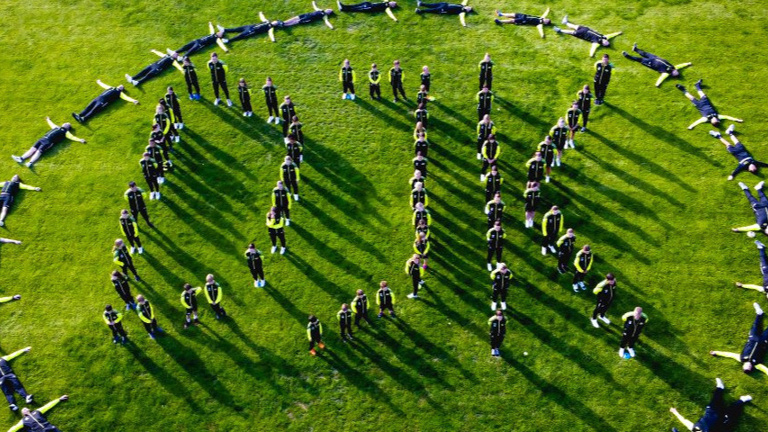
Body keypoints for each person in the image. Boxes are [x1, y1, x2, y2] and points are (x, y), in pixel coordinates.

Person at [669, 378, 751, 432]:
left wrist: (675, 412)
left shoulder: (694, 428)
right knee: (732, 411)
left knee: (715, 401)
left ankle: (720, 387)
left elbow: (684, 421)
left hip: (712, 411)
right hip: (722, 420)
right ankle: (742, 400)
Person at [710, 302, 768, 375]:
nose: (748, 366)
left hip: (752, 338)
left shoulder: (741, 358)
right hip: (764, 341)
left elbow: (730, 355)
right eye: (749, 368)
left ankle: (759, 313)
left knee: (756, 325)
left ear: (743, 366)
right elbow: (766, 370)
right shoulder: (757, 365)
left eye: (746, 367)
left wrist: (716, 352)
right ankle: (759, 314)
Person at [11, 117, 85, 168]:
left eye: (68, 124)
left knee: (39, 152)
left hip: (49, 142)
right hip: (42, 138)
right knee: (32, 149)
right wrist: (48, 120)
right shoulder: (57, 127)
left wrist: (80, 140)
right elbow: (51, 124)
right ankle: (21, 158)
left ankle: (30, 163)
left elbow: (72, 137)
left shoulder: (66, 132)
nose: (66, 123)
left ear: (68, 127)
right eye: (66, 123)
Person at [676, 79, 743, 129]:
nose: (715, 119)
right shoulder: (717, 116)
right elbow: (727, 117)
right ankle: (697, 86)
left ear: (711, 122)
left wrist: (691, 126)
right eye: (717, 120)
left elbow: (697, 122)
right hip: (706, 103)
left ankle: (683, 90)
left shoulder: (705, 119)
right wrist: (737, 119)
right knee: (702, 94)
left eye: (714, 120)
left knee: (691, 98)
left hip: (699, 105)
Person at [622, 43, 691, 87]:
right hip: (655, 58)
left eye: (673, 71)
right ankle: (635, 49)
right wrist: (687, 64)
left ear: (671, 74)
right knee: (645, 53)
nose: (674, 70)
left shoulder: (666, 74)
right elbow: (680, 65)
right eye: (675, 70)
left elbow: (661, 78)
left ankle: (627, 56)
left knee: (640, 59)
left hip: (651, 63)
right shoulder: (673, 67)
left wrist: (657, 84)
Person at [71, 80, 139, 123]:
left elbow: (126, 97)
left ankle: (84, 119)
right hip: (98, 98)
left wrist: (134, 100)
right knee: (88, 107)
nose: (121, 86)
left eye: (122, 87)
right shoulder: (111, 87)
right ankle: (79, 115)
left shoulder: (120, 93)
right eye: (120, 85)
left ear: (122, 89)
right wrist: (99, 82)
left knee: (94, 110)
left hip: (103, 101)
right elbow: (105, 85)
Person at [553, 16, 622, 57]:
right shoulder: (605, 37)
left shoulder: (596, 43)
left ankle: (560, 30)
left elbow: (593, 49)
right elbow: (611, 35)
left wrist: (591, 54)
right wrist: (618, 33)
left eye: (606, 43)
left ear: (603, 45)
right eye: (607, 42)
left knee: (571, 32)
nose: (606, 41)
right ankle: (565, 22)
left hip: (582, 34)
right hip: (586, 29)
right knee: (575, 26)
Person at [0, 347, 33, 411]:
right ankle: (12, 404)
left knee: (18, 386)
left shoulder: (3, 358)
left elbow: (13, 355)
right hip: (1, 379)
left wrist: (24, 350)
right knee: (7, 392)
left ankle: (26, 397)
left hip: (9, 374)